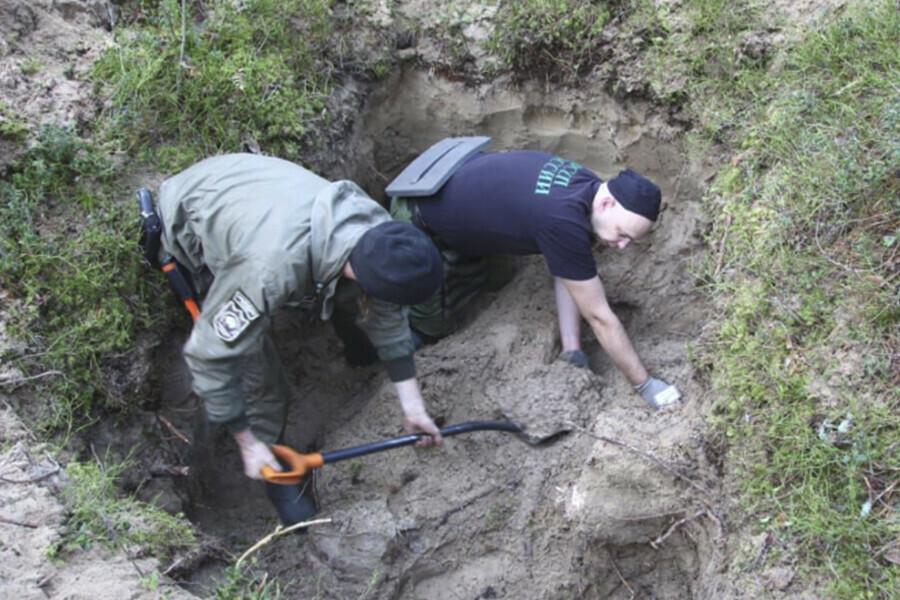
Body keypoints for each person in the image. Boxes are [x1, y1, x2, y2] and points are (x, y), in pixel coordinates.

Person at [155, 153, 445, 526]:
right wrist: (248, 442)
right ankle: (275, 465)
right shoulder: (269, 269)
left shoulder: (379, 233)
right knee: (262, 379)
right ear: (364, 274)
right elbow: (209, 354)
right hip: (190, 217)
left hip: (253, 191)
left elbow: (387, 314)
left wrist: (413, 407)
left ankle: (356, 349)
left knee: (354, 303)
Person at [390, 148, 681, 410]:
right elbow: (600, 317)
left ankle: (460, 255)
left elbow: (566, 273)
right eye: (623, 235)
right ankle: (412, 328)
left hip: (460, 176)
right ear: (607, 204)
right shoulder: (563, 220)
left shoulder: (587, 187)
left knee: (499, 278)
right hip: (419, 207)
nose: (622, 246)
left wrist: (572, 349)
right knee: (435, 324)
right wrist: (644, 384)